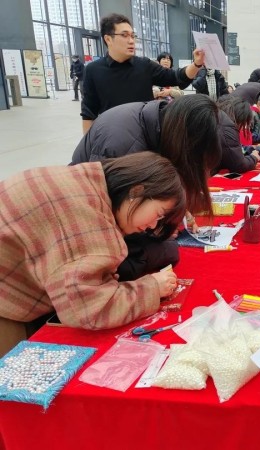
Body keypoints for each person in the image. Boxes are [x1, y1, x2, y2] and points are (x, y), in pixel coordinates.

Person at [0, 152, 185, 356]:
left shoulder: (87, 182)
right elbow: (89, 310)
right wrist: (152, 288)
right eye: (158, 215)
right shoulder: (87, 222)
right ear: (137, 191)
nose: (152, 226)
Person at [71, 94, 220, 274]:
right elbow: (103, 221)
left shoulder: (161, 123)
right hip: (85, 232)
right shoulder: (122, 144)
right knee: (167, 251)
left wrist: (172, 215)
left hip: (111, 218)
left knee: (167, 246)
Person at [80, 13, 205, 134]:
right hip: (114, 138)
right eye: (124, 35)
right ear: (108, 39)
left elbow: (176, 77)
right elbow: (88, 113)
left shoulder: (144, 65)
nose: (131, 41)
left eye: (133, 36)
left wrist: (197, 64)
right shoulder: (93, 70)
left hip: (146, 136)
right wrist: (87, 148)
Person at [214, 95, 260, 174]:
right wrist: (254, 158)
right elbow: (239, 165)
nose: (243, 128)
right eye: (244, 123)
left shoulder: (220, 119)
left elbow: (233, 148)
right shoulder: (228, 127)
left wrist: (256, 151)